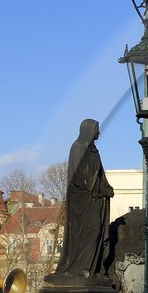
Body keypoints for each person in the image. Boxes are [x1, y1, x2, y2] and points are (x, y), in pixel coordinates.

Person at [52, 118, 113, 279]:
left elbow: (99, 175)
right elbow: (82, 176)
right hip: (82, 200)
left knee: (97, 232)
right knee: (91, 230)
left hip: (94, 199)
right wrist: (100, 189)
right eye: (96, 129)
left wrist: (106, 187)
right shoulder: (77, 148)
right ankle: (80, 268)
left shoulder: (94, 150)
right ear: (89, 130)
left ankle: (93, 268)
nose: (99, 133)